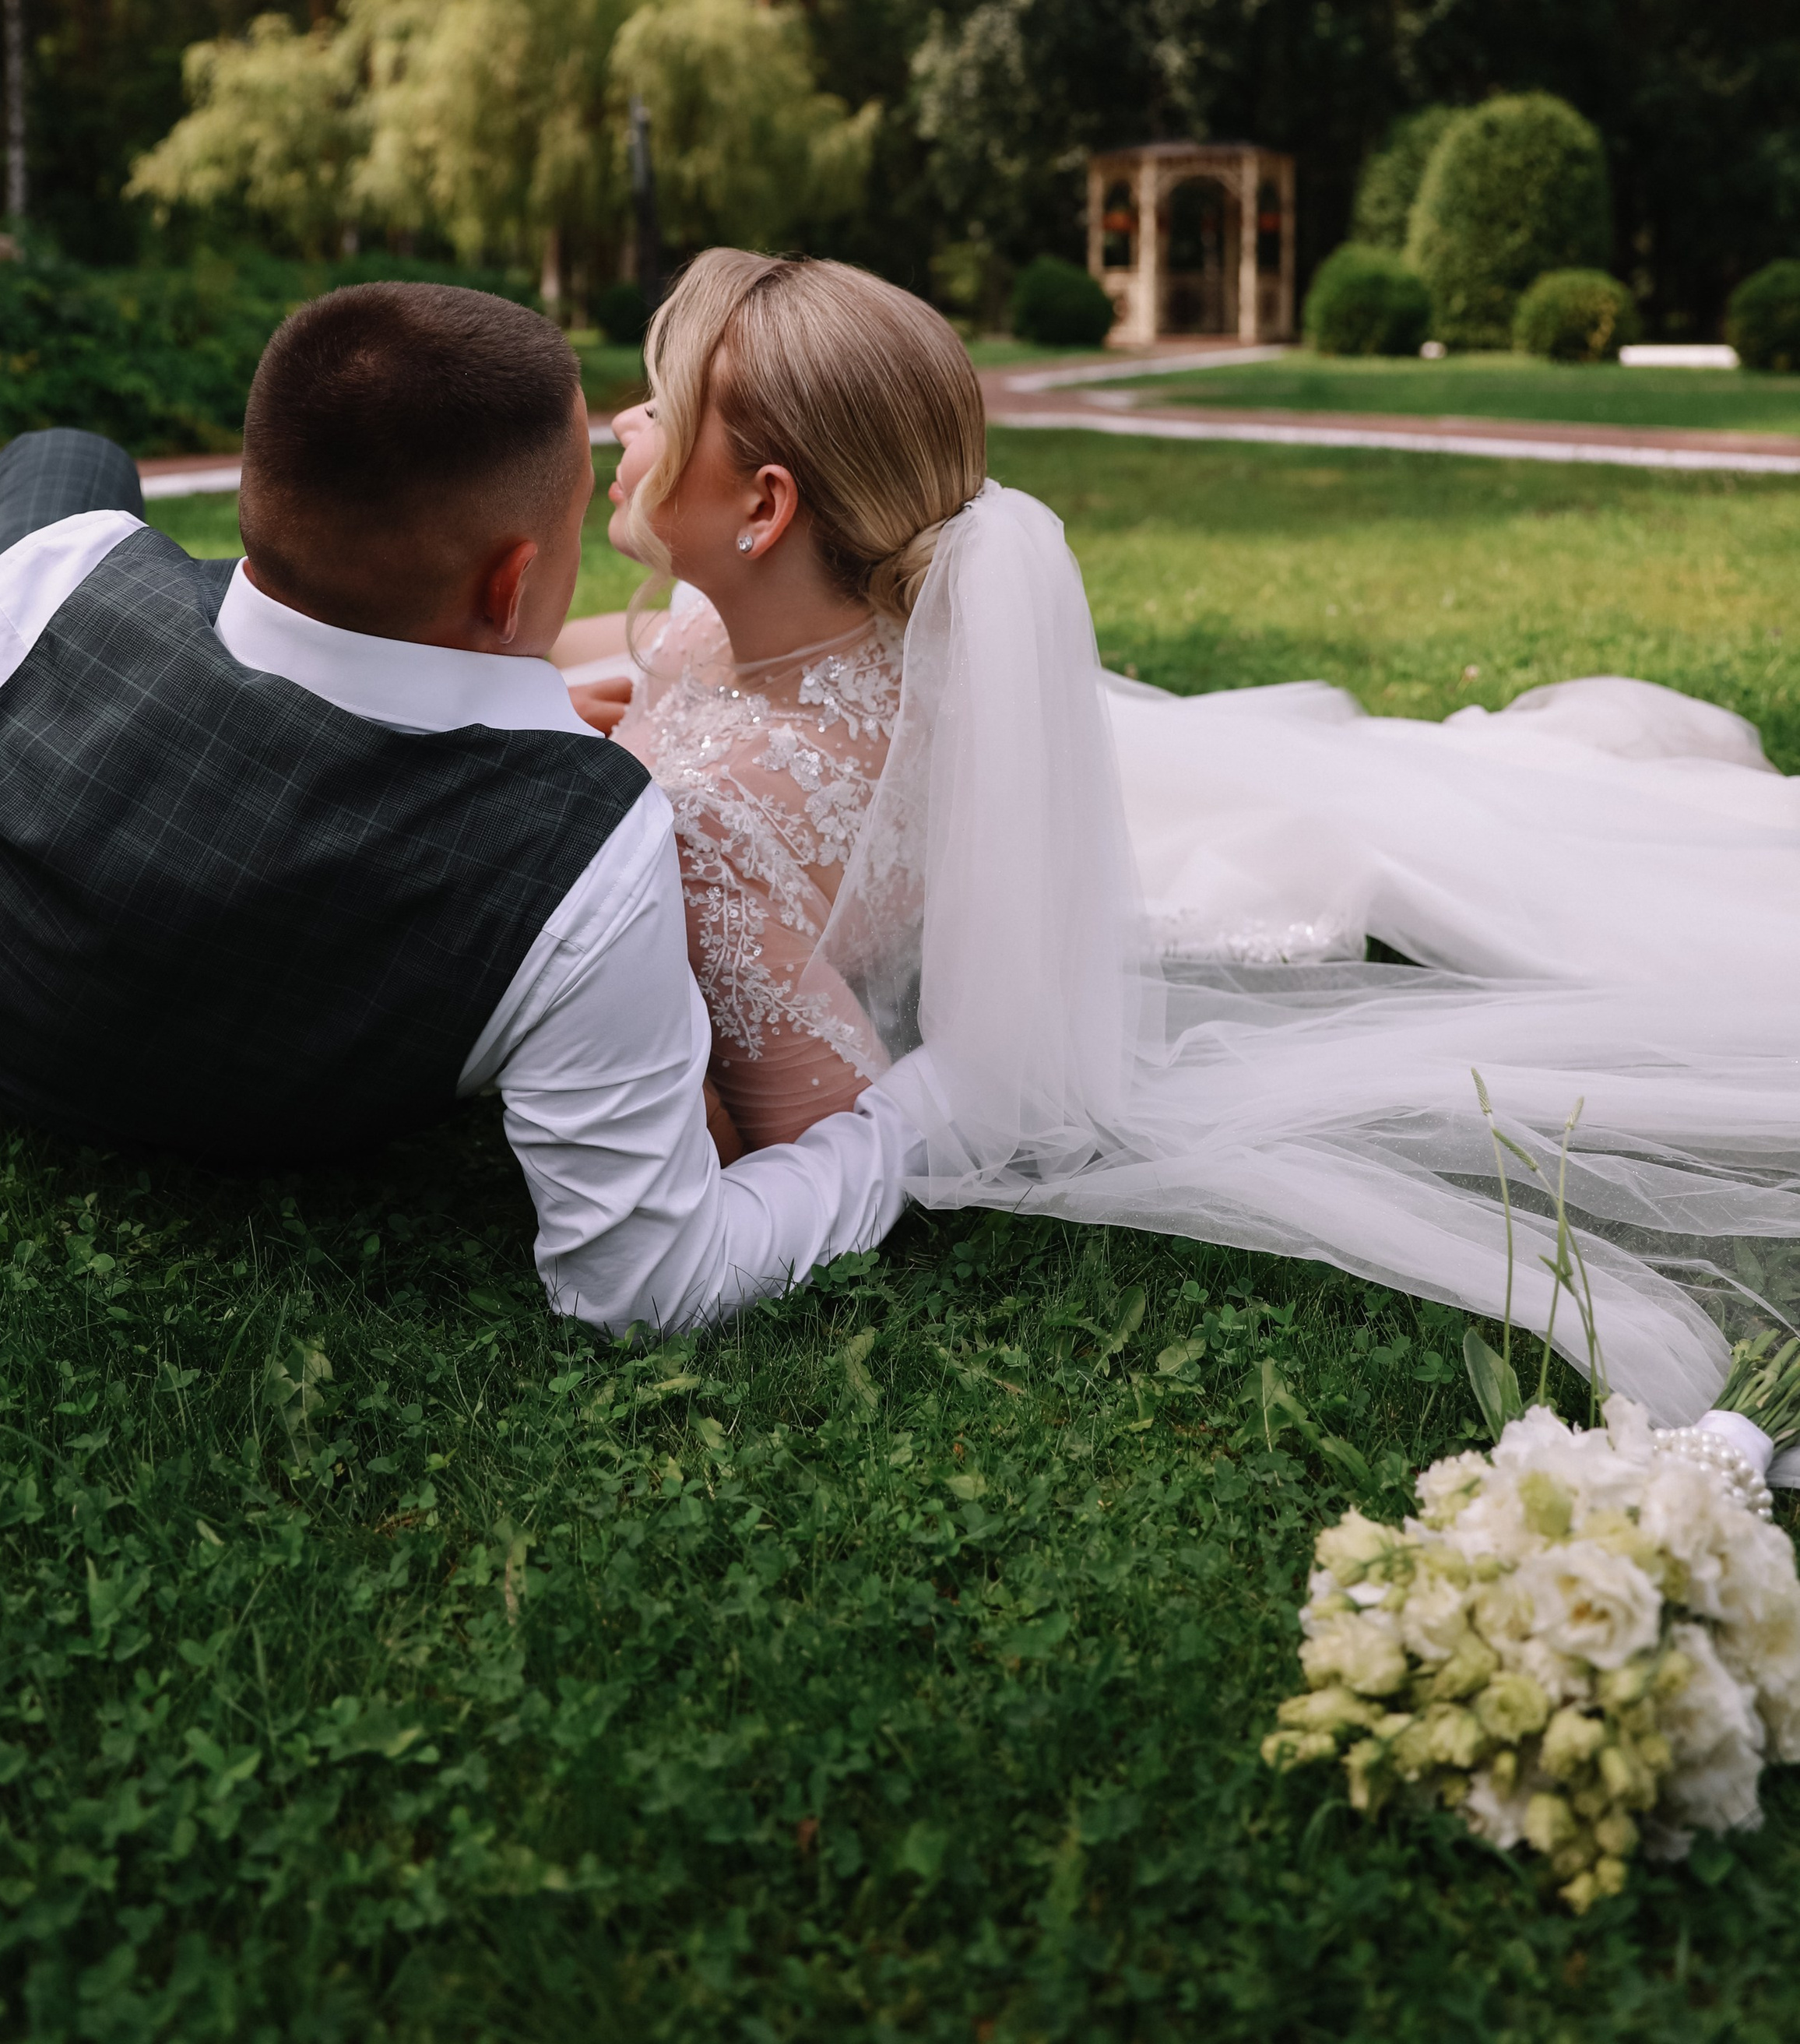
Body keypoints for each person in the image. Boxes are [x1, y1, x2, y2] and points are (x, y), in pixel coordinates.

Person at [558, 249, 1800, 1435]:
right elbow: (655, 662)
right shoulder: (838, 637)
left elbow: (826, 1137)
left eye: (660, 405)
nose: (627, 424)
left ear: (766, 508)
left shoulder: (721, 819)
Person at [0, 282, 930, 1335]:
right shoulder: (584, 845)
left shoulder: (54, 575)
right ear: (508, 585)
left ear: (263, 485)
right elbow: (647, 1278)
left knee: (61, 465)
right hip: (253, 1107)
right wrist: (910, 1124)